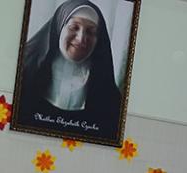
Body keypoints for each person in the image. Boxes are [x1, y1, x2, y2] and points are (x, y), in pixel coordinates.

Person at [18, 0, 122, 141]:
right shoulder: (25, 72)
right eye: (74, 27)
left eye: (91, 32)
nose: (81, 39)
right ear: (59, 26)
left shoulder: (108, 94)